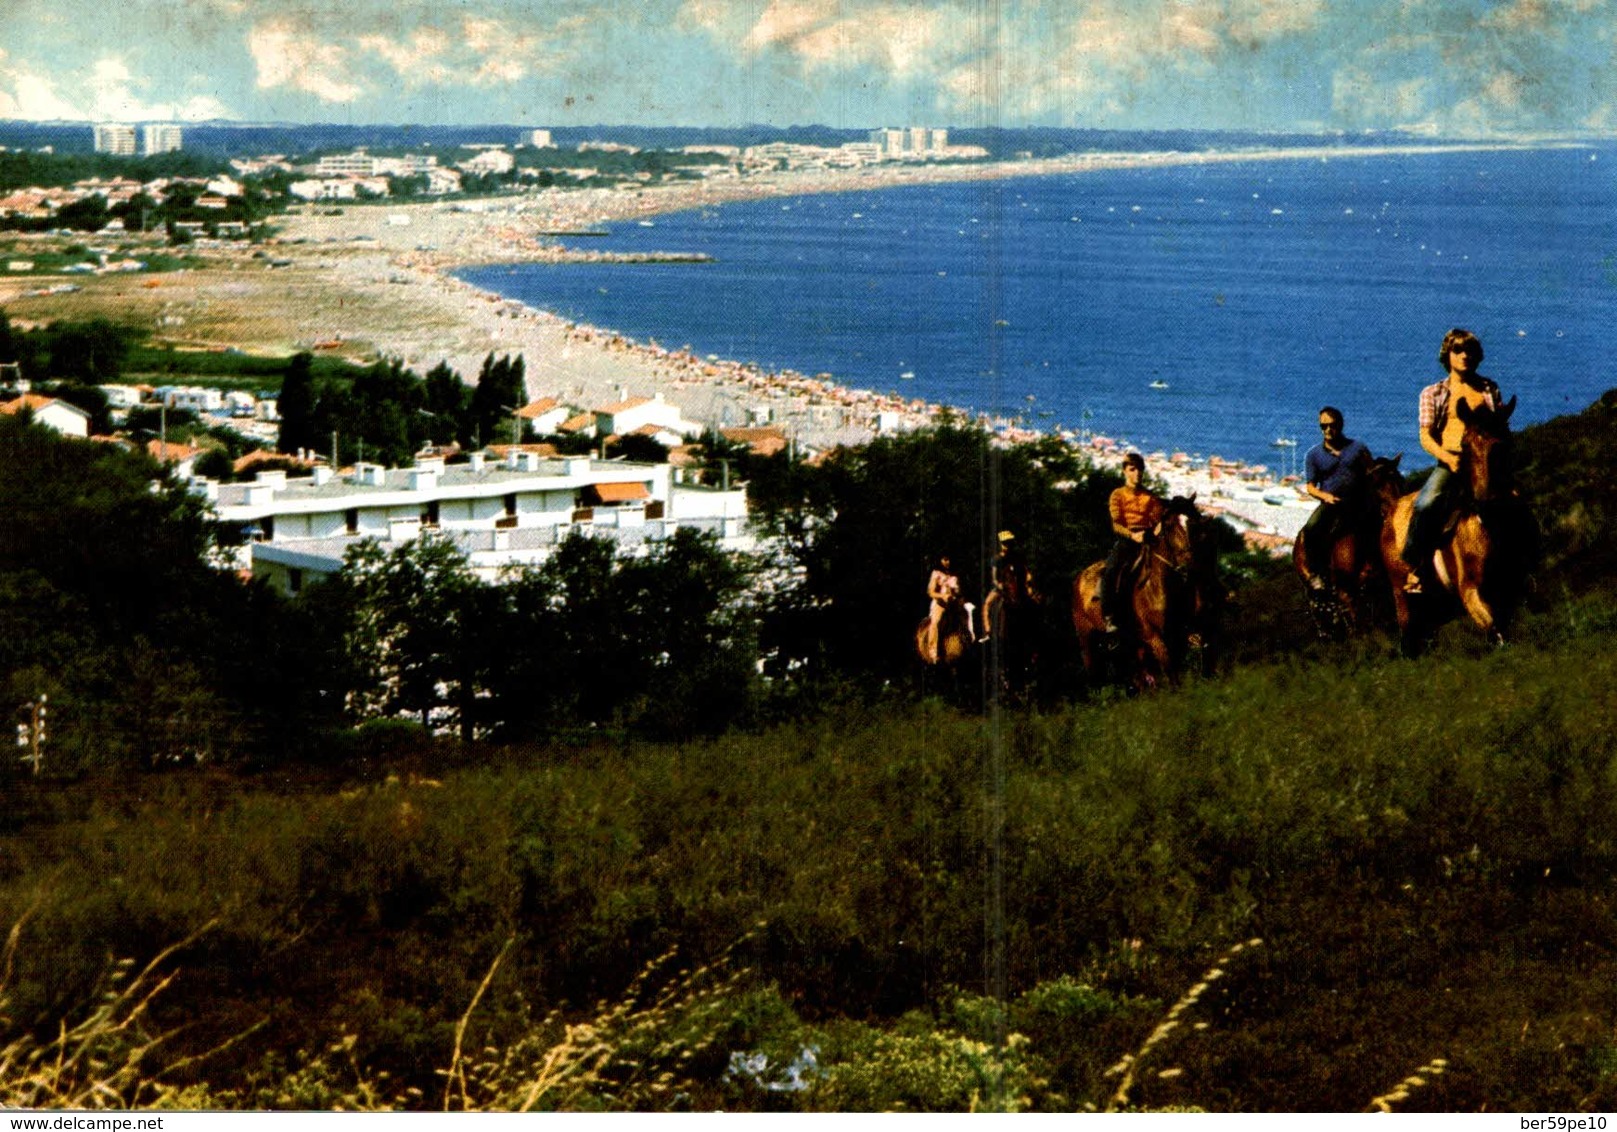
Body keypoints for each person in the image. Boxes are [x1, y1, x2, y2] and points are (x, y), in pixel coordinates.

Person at [1401, 328, 1504, 594]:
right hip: (1452, 463)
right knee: (1425, 504)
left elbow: (1499, 428)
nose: (1464, 355)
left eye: (1470, 350)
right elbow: (1425, 436)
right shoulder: (1433, 393)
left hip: (1485, 463)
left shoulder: (1489, 389)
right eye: (1458, 350)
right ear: (1448, 355)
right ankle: (1416, 568)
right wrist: (1447, 457)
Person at [1300, 406, 1372, 591]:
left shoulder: (1358, 448)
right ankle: (1316, 574)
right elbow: (1310, 486)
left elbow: (1371, 473)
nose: (1328, 430)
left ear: (1340, 425)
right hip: (1332, 503)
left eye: (1332, 425)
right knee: (1311, 528)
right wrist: (1326, 496)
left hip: (1359, 501)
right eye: (1323, 426)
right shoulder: (1313, 455)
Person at [1101, 451, 1166, 634]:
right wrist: (1132, 535)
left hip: (1148, 540)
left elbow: (1156, 519)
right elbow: (1116, 523)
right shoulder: (1117, 495)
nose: (1137, 473)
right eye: (1132, 469)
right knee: (1111, 570)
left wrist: (1156, 530)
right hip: (1127, 540)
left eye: (1140, 470)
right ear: (1125, 472)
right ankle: (1109, 617)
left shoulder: (1150, 497)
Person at [980, 531, 1030, 641]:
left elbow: (1023, 572)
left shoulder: (1016, 558)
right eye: (1005, 543)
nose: (1007, 546)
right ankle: (988, 631)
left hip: (1015, 585)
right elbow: (994, 578)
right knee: (987, 604)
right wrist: (999, 585)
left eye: (1008, 543)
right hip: (1001, 587)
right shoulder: (997, 559)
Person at [923, 554, 961, 662]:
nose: (947, 562)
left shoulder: (954, 575)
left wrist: (956, 592)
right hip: (940, 604)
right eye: (945, 559)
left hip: (953, 604)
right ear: (940, 560)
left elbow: (959, 591)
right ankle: (933, 651)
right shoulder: (936, 574)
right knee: (936, 622)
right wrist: (942, 596)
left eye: (948, 559)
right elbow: (930, 592)